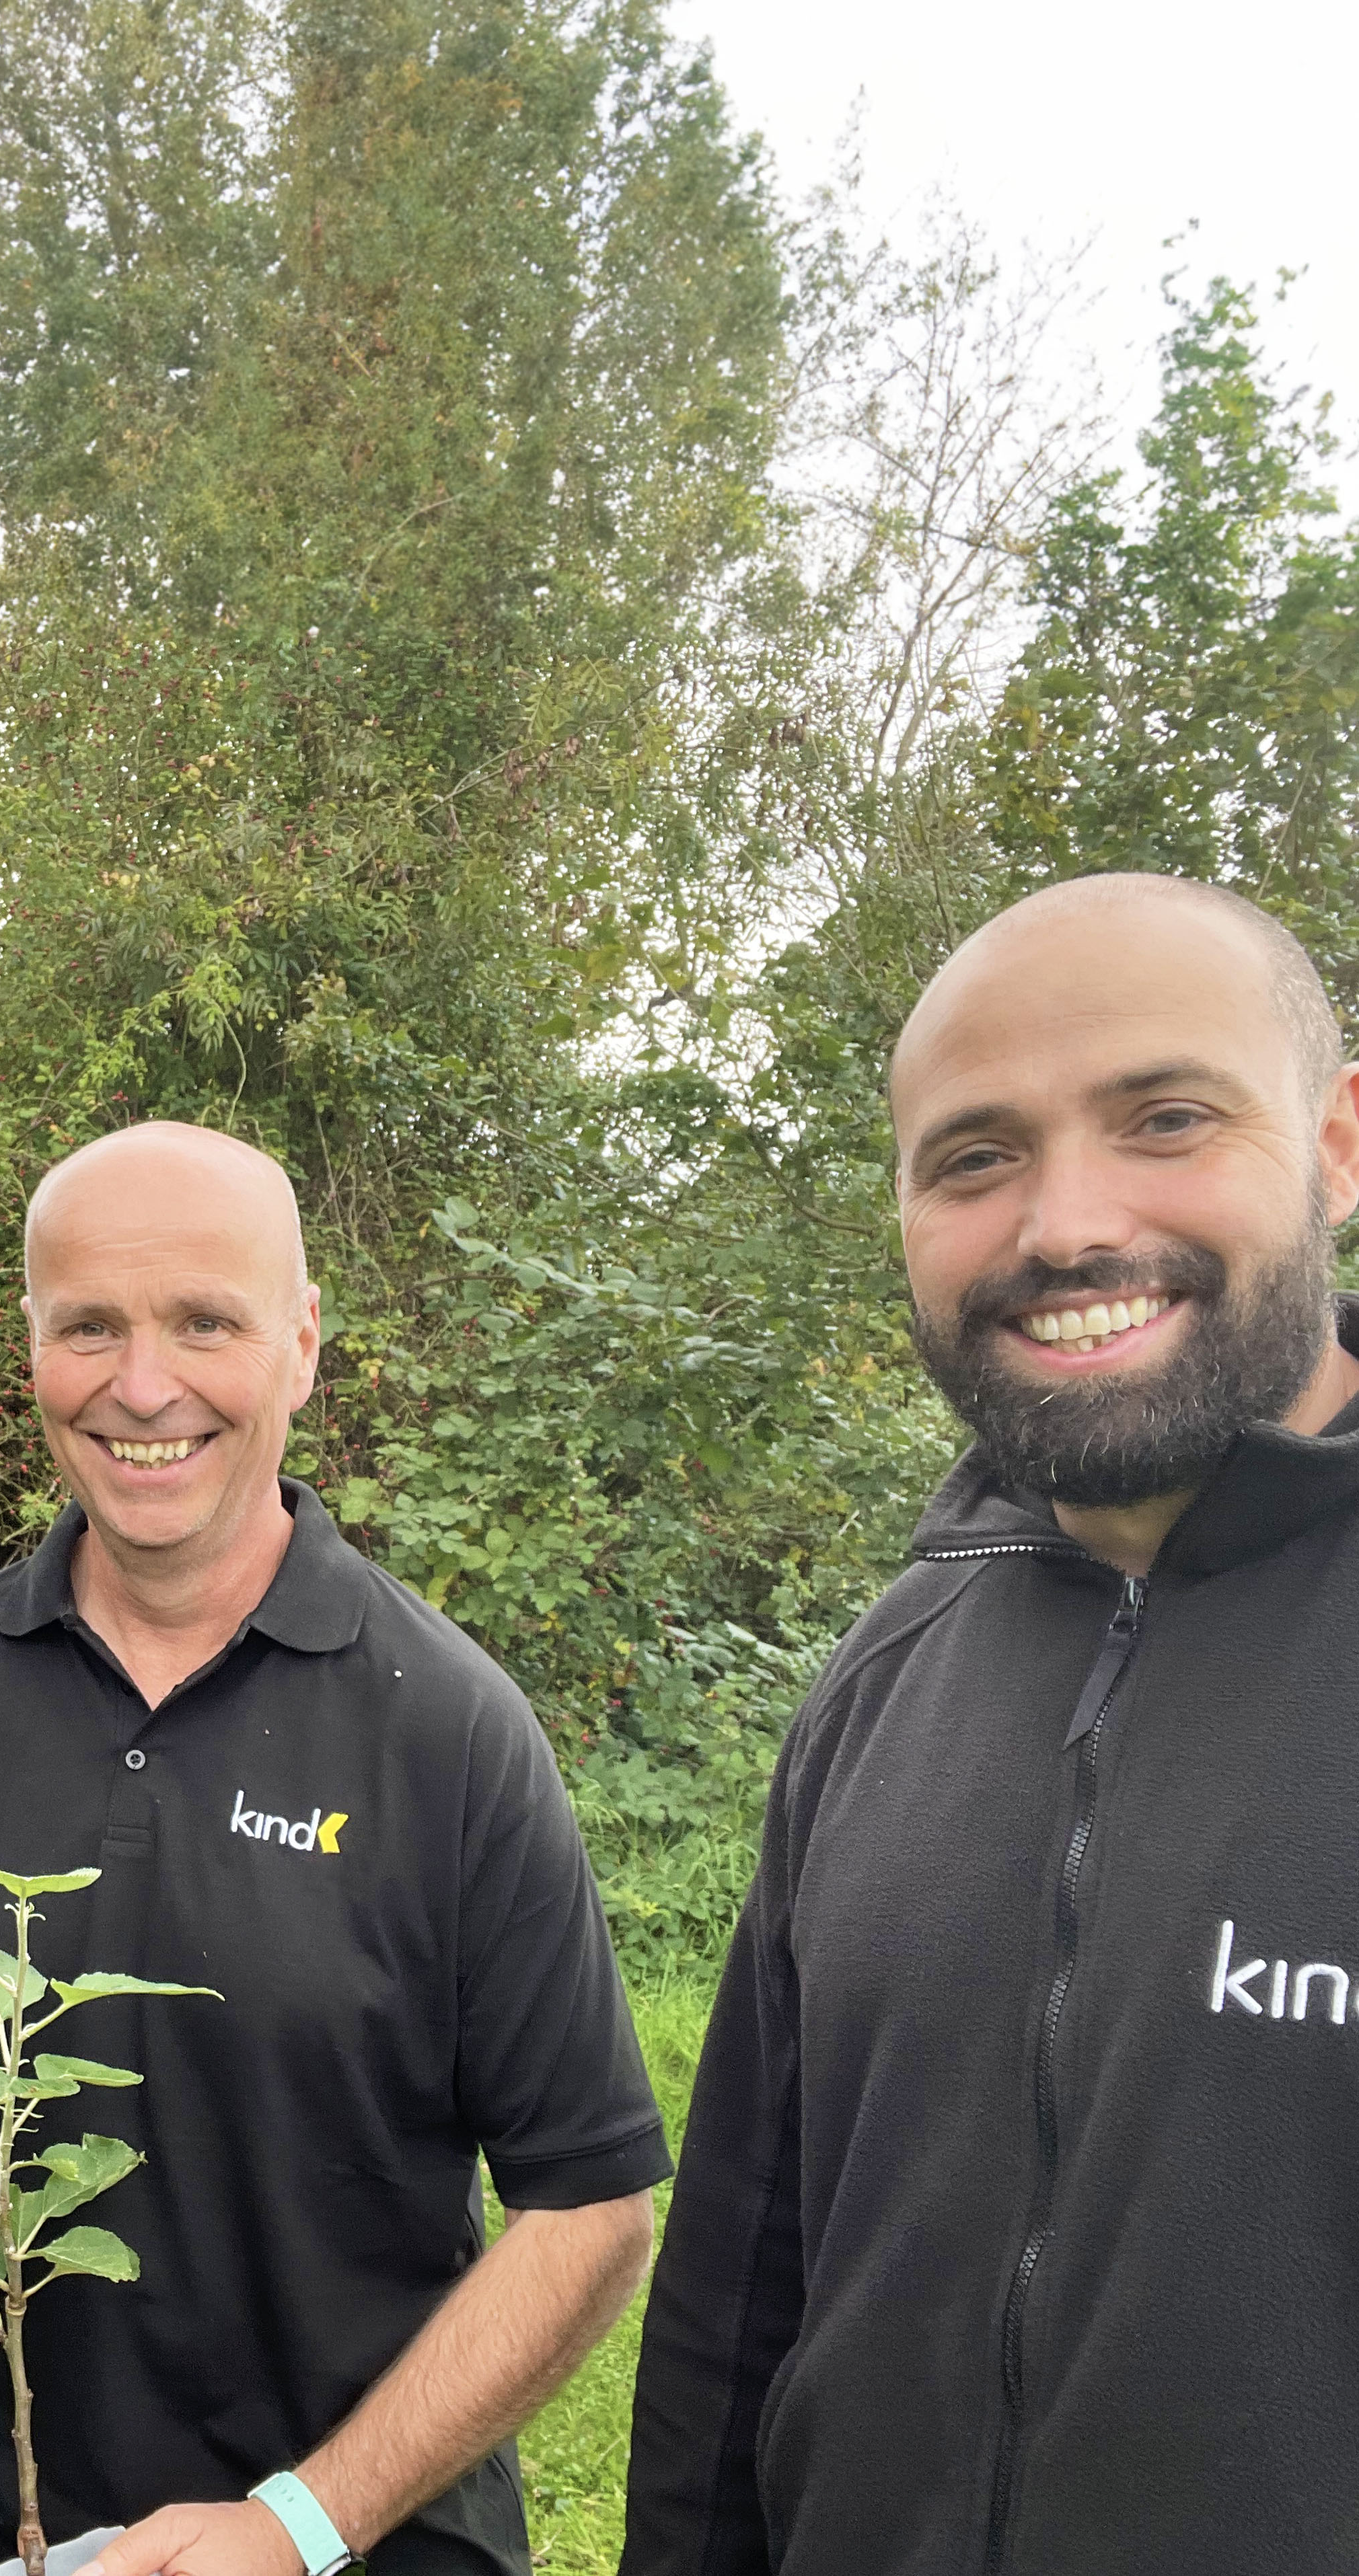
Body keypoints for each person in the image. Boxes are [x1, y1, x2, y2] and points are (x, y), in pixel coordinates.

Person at [0, 1121, 669, 2576]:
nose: (140, 1386)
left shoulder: (448, 1730)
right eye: (88, 1325)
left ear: (299, 1346)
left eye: (203, 1322)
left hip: (349, 2546)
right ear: (32, 1347)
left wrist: (300, 2523)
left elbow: (588, 2207)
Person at [620, 874, 1359, 2576]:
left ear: (1330, 1144)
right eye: (973, 1157)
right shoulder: (887, 1673)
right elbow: (740, 2295)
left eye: (1164, 1117)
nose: (1060, 1225)